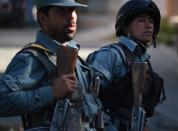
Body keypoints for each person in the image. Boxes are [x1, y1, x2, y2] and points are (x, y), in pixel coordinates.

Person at [0, 0, 117, 130]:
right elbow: (2, 99)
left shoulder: (76, 59)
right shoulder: (32, 58)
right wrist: (51, 92)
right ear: (42, 18)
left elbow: (93, 108)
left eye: (73, 10)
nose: (71, 16)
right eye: (62, 10)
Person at [87, 0, 166, 130]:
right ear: (126, 26)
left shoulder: (143, 59)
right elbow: (86, 98)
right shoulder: (111, 55)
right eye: (141, 20)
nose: (149, 25)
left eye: (151, 21)